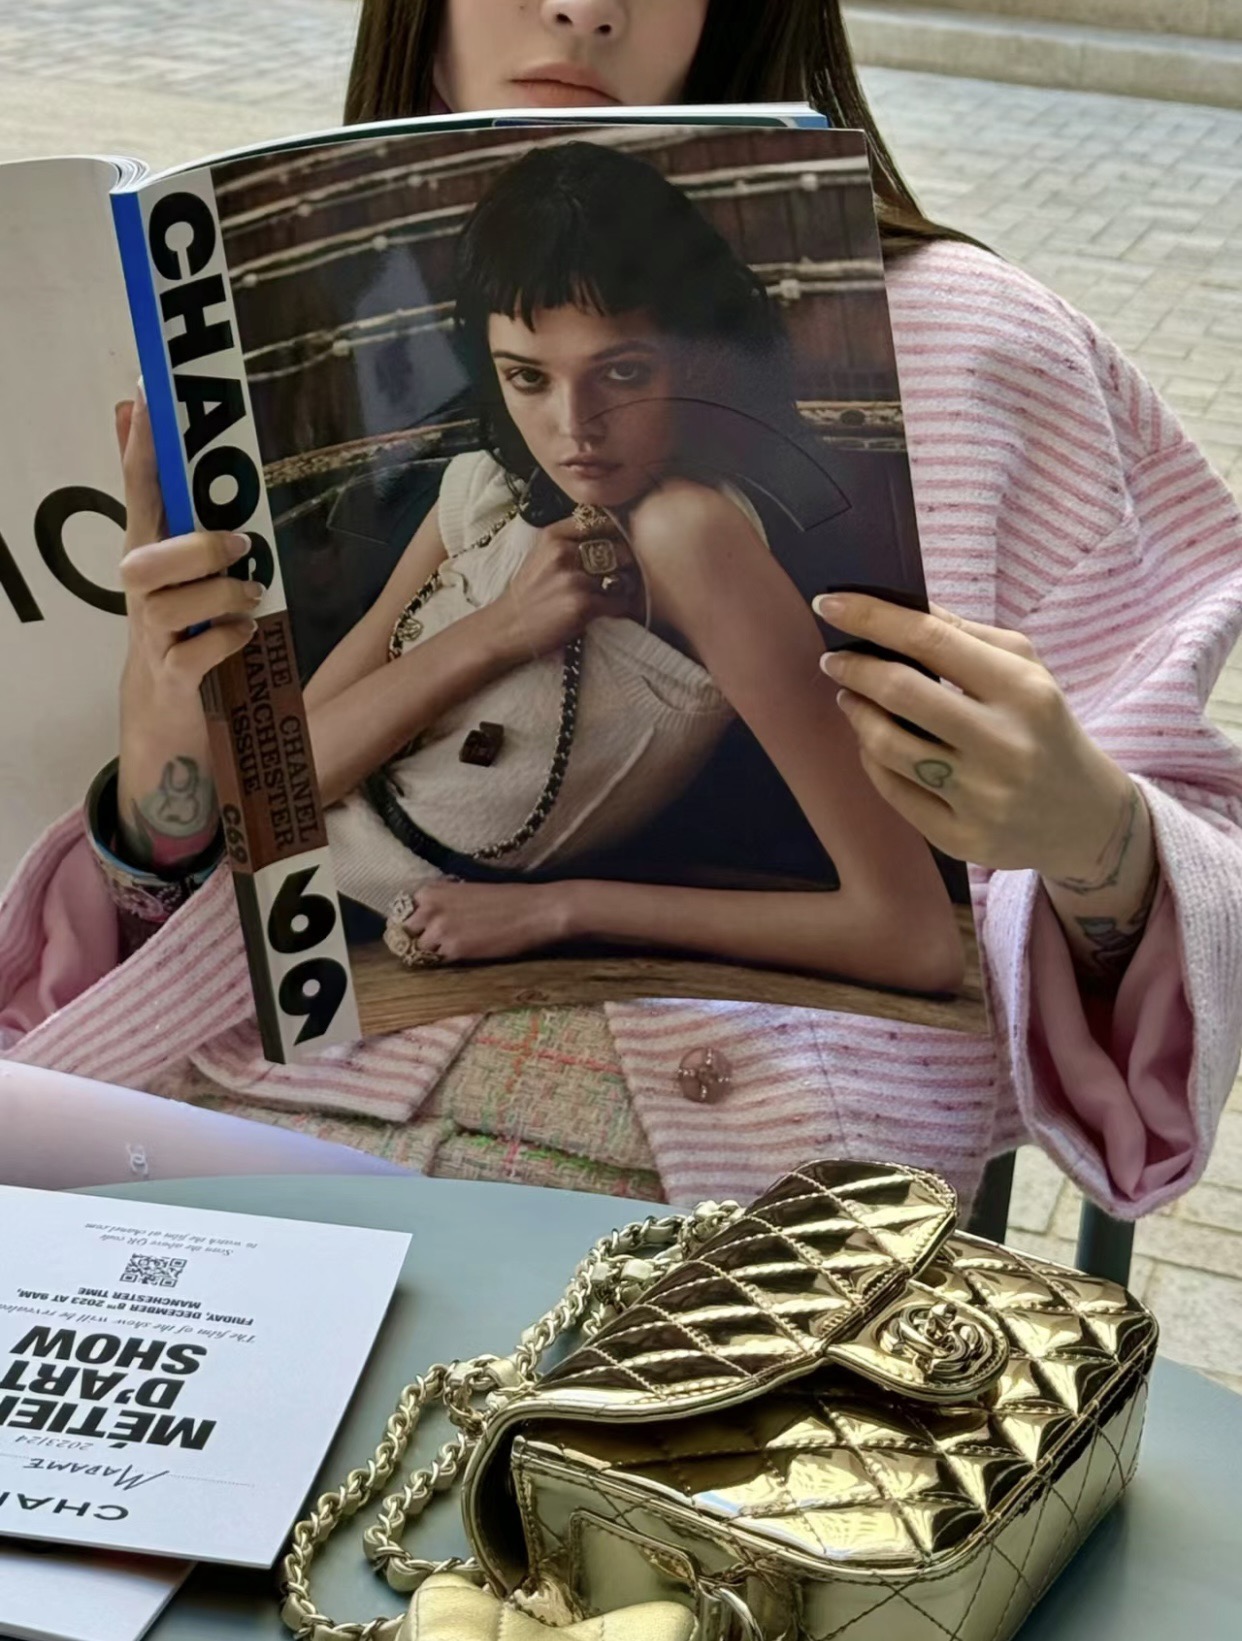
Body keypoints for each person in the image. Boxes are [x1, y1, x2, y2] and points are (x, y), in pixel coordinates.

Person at [1, 0, 1240, 1222]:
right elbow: (247, 819)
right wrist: (166, 743)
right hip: (234, 1112)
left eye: (627, 371)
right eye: (525, 375)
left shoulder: (967, 351)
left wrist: (1095, 840)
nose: (582, 8)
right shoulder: (461, 463)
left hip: (699, 1179)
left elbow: (1057, 906)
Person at [308, 139, 964, 994]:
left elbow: (909, 933)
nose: (574, 426)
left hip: (365, 933)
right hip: (285, 891)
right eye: (528, 378)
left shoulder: (692, 535)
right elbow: (273, 784)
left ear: (696, 353)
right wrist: (501, 630)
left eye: (620, 371)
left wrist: (565, 910)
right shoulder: (485, 489)